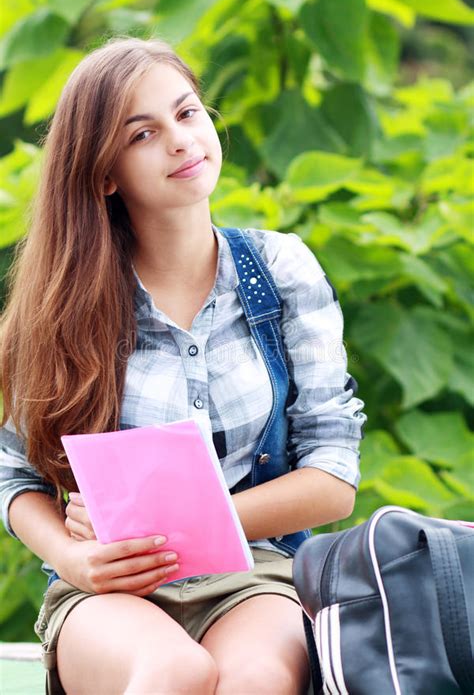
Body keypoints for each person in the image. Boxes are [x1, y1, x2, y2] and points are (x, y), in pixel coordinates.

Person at [0, 36, 366, 695]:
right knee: (174, 671)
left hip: (254, 573)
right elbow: (12, 470)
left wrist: (183, 520)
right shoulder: (62, 304)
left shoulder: (281, 273)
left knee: (255, 677)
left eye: (188, 112)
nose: (180, 140)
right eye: (143, 133)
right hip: (109, 588)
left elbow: (333, 475)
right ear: (105, 173)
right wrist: (73, 556)